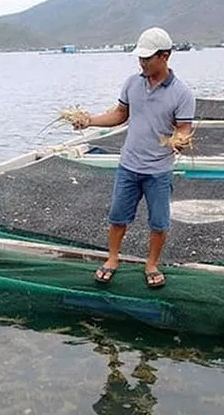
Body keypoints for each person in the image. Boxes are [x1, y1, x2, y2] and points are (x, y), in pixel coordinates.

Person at [75, 27, 196, 288]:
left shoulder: (182, 93)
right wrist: (89, 121)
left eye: (147, 58)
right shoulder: (132, 83)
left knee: (159, 222)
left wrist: (180, 140)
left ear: (165, 56)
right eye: (140, 58)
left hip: (159, 170)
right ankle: (112, 258)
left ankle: (151, 264)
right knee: (118, 216)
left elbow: (184, 128)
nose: (142, 63)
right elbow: (120, 114)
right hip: (128, 165)